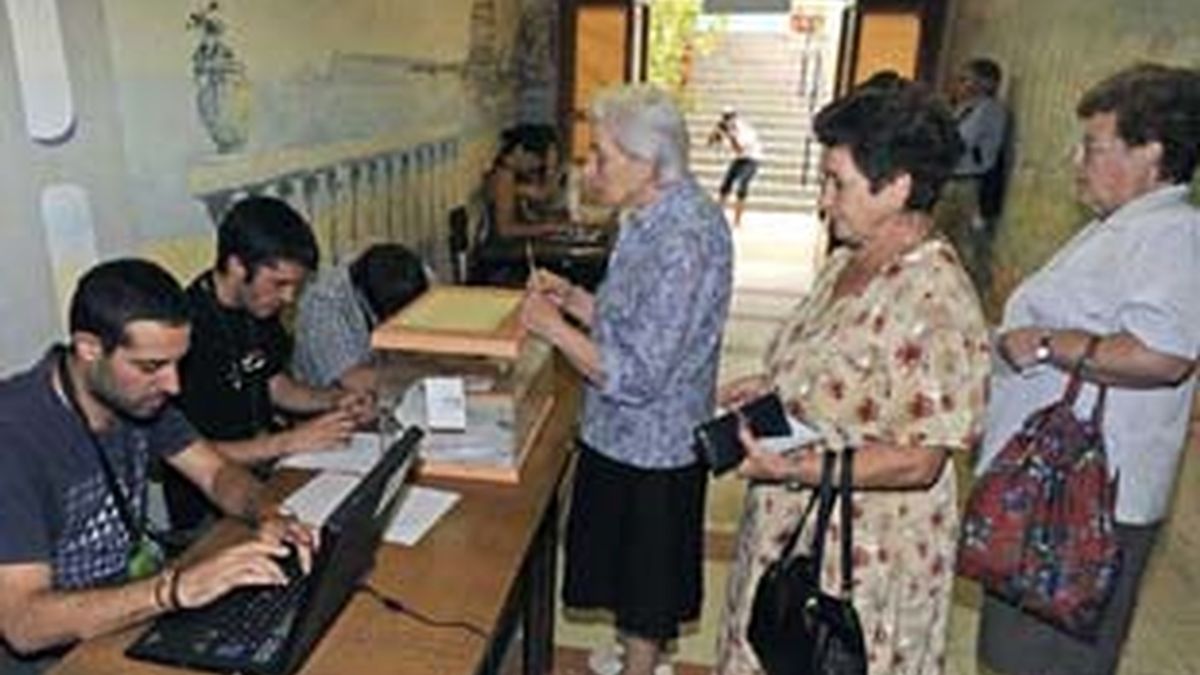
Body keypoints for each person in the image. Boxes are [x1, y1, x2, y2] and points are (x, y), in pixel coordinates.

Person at [715, 81, 991, 675]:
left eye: (837, 182)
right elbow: (832, 376)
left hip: (865, 559)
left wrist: (793, 468)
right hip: (794, 535)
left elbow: (921, 461)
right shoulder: (847, 261)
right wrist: (771, 388)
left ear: (896, 189)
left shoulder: (936, 300)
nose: (824, 199)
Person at [975, 63, 1200, 675]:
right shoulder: (1127, 228)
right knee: (1015, 654)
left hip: (1083, 505)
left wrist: (1047, 343)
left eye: (1094, 146)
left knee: (1051, 661)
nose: (1077, 159)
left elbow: (1165, 355)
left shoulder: (1173, 234)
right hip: (1051, 491)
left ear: (1150, 152)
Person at [0, 259, 315, 673]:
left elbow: (216, 473)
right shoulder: (14, 439)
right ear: (90, 348)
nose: (173, 385)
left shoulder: (133, 396)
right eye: (151, 367)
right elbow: (24, 625)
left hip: (125, 615)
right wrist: (175, 590)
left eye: (177, 363)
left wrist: (268, 511)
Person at [521, 84, 732, 675]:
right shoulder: (649, 216)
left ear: (647, 162)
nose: (588, 170)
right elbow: (632, 318)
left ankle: (643, 664)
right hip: (617, 431)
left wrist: (554, 331)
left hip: (654, 443)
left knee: (647, 581)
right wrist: (575, 301)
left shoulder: (686, 237)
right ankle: (633, 653)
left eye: (601, 157)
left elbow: (639, 373)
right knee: (622, 564)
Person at [167, 196, 373, 532]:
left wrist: (335, 400)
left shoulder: (259, 308)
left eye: (296, 286)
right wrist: (287, 442)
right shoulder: (184, 331)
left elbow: (276, 386)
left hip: (270, 475)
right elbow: (183, 455)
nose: (289, 298)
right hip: (210, 508)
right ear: (236, 266)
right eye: (279, 284)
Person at [291, 243, 429, 391]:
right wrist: (423, 374)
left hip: (378, 375)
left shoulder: (394, 269)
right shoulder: (324, 305)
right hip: (330, 399)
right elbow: (353, 380)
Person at [937, 57, 1011, 292]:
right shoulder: (965, 107)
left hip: (971, 184)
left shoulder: (989, 109)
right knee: (948, 242)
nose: (960, 84)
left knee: (970, 248)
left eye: (966, 79)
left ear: (985, 83)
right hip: (954, 180)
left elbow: (961, 141)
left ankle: (974, 297)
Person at [707, 107, 764, 228]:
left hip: (751, 158)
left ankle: (737, 221)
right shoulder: (727, 129)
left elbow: (739, 149)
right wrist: (715, 133)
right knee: (725, 186)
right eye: (725, 117)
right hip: (738, 159)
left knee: (742, 186)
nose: (727, 121)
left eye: (729, 117)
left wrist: (730, 135)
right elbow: (710, 143)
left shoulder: (744, 129)